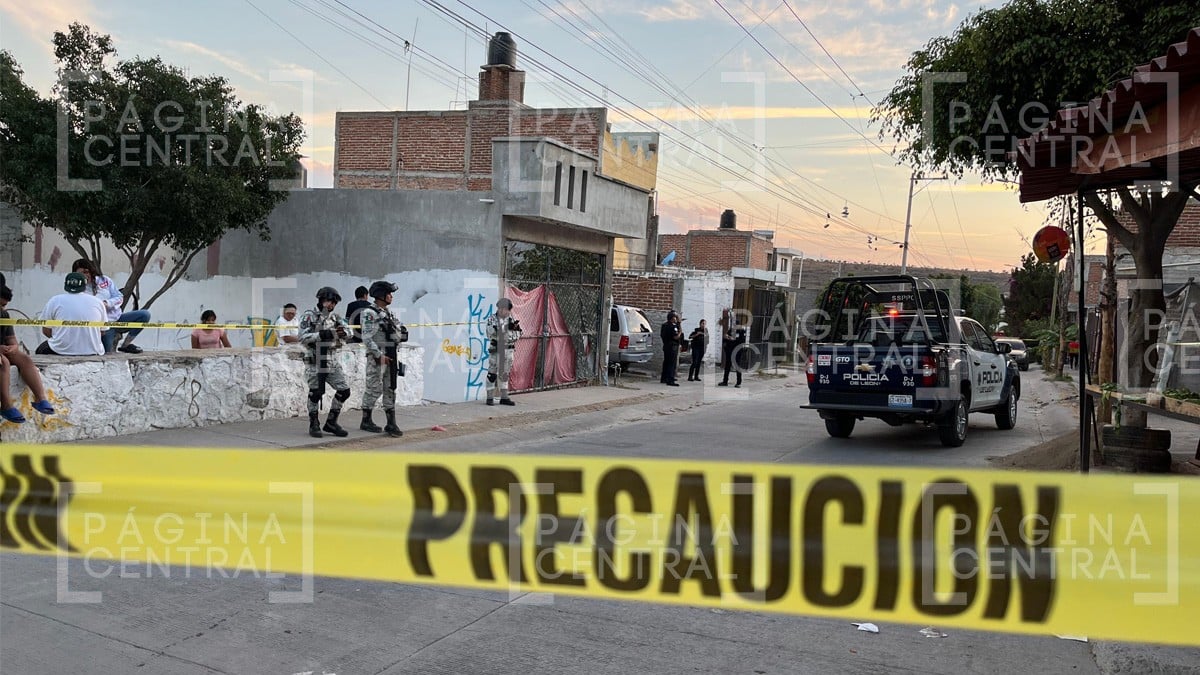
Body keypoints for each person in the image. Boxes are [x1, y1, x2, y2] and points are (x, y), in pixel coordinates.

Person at [299, 287, 352, 438]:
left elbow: (349, 332)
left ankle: (331, 422)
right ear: (321, 300)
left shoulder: (335, 317)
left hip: (330, 359)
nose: (331, 305)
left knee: (344, 390)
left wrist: (342, 333)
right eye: (329, 301)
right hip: (314, 359)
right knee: (315, 392)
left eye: (333, 302)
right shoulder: (309, 316)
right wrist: (321, 335)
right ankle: (313, 423)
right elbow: (302, 337)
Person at [359, 280, 408, 437]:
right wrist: (379, 355)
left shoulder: (388, 313)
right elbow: (367, 338)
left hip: (392, 354)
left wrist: (401, 335)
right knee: (373, 388)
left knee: (390, 387)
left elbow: (400, 330)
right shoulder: (369, 313)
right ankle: (366, 420)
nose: (391, 296)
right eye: (389, 293)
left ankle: (391, 423)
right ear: (381, 295)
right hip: (378, 356)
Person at [72, 258, 150, 354]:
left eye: (86, 272)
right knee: (106, 353)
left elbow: (119, 296)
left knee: (144, 315)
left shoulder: (104, 280)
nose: (84, 275)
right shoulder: (77, 288)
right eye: (80, 273)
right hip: (100, 326)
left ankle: (126, 345)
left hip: (117, 318)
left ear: (91, 271)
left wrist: (107, 303)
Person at [1, 283, 54, 416]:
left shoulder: (4, 315)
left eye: (4, 305)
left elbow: (12, 339)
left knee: (24, 358)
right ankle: (6, 405)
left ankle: (41, 399)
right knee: (3, 363)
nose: (2, 308)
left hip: (3, 350)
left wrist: (13, 348)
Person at [36, 273, 106, 356]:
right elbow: (102, 331)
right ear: (85, 284)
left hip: (59, 349)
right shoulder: (97, 302)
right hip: (93, 350)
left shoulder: (55, 300)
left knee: (40, 351)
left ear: (66, 285)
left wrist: (63, 339)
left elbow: (46, 330)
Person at [485, 297, 522, 406]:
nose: (503, 311)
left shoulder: (512, 320)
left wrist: (510, 331)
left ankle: (504, 397)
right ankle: (490, 397)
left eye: (506, 309)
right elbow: (492, 333)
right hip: (497, 350)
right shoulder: (492, 319)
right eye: (501, 308)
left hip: (509, 350)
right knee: (492, 374)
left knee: (504, 374)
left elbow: (518, 334)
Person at [719, 318, 748, 388]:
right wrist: (726, 339)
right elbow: (725, 339)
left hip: (737, 351)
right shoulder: (730, 330)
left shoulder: (741, 331)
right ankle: (725, 381)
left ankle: (738, 382)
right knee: (727, 366)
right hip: (729, 351)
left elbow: (742, 341)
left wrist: (734, 339)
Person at [659, 310, 684, 386]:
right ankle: (670, 379)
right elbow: (676, 337)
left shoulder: (664, 325)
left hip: (666, 346)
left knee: (666, 362)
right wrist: (680, 331)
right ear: (672, 318)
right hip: (672, 346)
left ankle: (664, 378)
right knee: (672, 364)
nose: (676, 319)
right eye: (675, 317)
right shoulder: (673, 326)